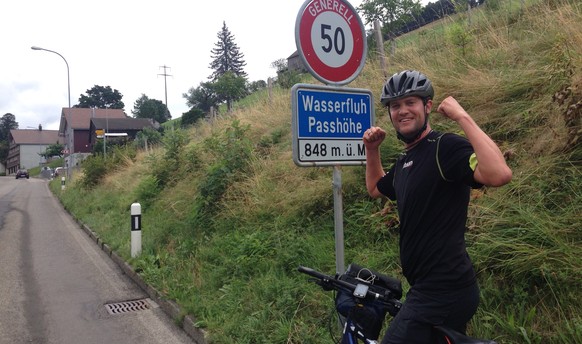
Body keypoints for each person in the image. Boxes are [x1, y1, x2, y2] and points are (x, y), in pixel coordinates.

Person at [363, 70, 512, 344]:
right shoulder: (406, 160)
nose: (402, 111)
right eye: (395, 106)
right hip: (424, 287)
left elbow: (499, 174)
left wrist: (461, 116)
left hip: (445, 289)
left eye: (410, 103)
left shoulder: (444, 148)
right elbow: (375, 188)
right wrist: (372, 150)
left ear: (427, 106)